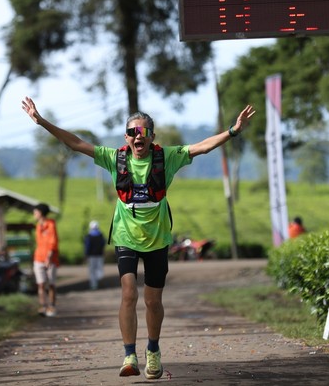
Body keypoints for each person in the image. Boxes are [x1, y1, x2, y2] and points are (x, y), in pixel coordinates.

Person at [21, 96, 255, 380]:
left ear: (152, 136)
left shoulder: (167, 158)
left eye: (143, 131)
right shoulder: (114, 158)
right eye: (132, 132)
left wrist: (233, 131)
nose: (138, 136)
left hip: (157, 240)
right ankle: (129, 354)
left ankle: (153, 350)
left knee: (153, 301)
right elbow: (76, 143)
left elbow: (202, 147)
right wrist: (42, 122)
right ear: (126, 137)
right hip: (125, 237)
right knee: (128, 293)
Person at [32, 203, 59, 317]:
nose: (34, 214)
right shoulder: (38, 226)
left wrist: (48, 257)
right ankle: (43, 306)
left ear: (41, 213)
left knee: (51, 284)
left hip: (51, 258)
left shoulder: (51, 224)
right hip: (38, 257)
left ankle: (52, 306)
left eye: (35, 212)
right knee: (41, 284)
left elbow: (53, 242)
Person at [84, 220, 106, 290]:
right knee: (99, 269)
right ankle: (98, 280)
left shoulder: (89, 236)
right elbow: (103, 244)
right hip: (99, 255)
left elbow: (87, 246)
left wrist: (86, 254)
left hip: (91, 256)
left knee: (92, 271)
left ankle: (94, 285)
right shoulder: (101, 235)